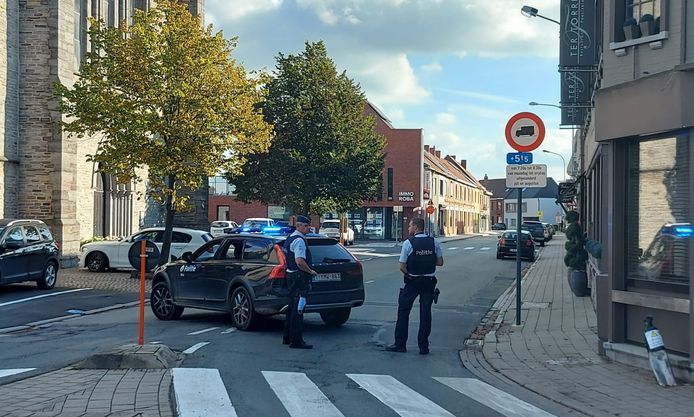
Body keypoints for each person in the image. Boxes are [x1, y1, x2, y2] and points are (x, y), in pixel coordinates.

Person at [386, 217, 443, 355]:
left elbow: (402, 266)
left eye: (410, 226)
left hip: (413, 281)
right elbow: (440, 262)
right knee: (425, 313)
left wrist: (412, 270)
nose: (408, 228)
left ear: (416, 227)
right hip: (429, 282)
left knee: (403, 312)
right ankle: (423, 346)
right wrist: (427, 262)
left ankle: (400, 344)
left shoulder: (408, 243)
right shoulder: (434, 242)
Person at [282, 215, 318, 349]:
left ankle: (287, 337)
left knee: (291, 308)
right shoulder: (299, 241)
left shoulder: (289, 238)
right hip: (299, 278)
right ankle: (296, 340)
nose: (309, 228)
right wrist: (310, 271)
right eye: (306, 225)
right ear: (299, 226)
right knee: (299, 309)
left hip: (291, 276)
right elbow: (299, 261)